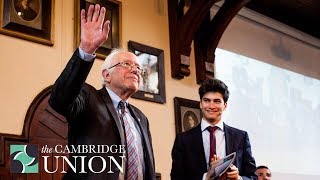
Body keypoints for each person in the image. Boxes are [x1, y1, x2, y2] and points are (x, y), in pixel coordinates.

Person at [49, 4, 156, 180]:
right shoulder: (88, 97)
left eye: (138, 67)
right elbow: (59, 100)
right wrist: (86, 50)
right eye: (126, 64)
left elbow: (148, 168)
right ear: (106, 75)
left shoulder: (141, 117)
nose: (136, 70)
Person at [171, 78, 257, 180]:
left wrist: (238, 178)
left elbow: (253, 176)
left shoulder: (241, 137)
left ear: (225, 105)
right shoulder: (183, 140)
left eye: (217, 101)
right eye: (207, 101)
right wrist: (205, 177)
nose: (211, 106)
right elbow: (176, 177)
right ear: (200, 104)